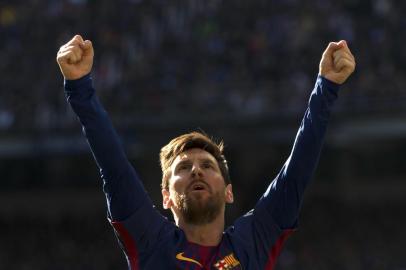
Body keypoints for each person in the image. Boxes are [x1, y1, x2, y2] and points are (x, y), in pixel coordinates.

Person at [56, 35, 355, 270]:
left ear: (228, 192)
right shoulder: (150, 241)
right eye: (183, 168)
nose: (196, 170)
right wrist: (79, 86)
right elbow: (113, 165)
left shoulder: (253, 241)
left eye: (208, 166)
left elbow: (296, 172)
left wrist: (326, 86)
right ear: (166, 197)